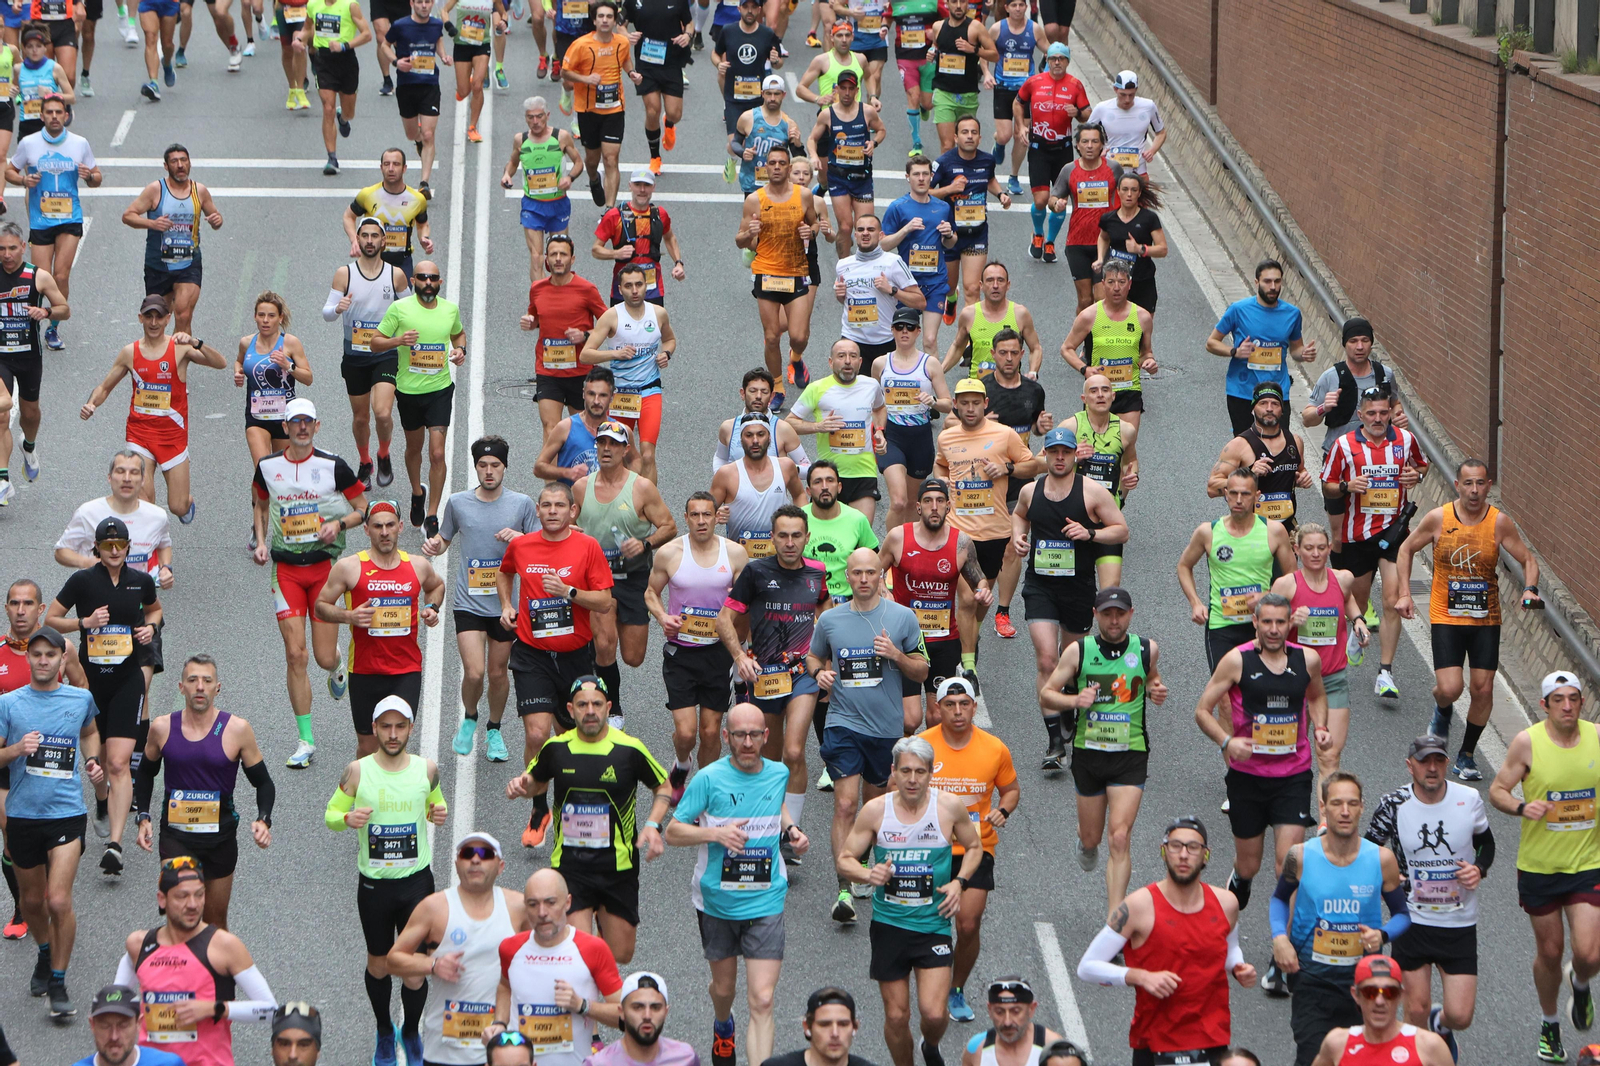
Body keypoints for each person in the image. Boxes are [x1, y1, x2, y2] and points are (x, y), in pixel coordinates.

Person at [667, 703, 806, 1066]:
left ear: (766, 736)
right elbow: (674, 831)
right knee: (724, 989)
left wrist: (791, 829)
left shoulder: (778, 773)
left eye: (754, 735)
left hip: (766, 899)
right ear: (727, 736)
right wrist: (716, 834)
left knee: (762, 999)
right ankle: (723, 1024)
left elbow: (775, 804)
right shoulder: (708, 779)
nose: (747, 742)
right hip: (717, 902)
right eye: (740, 735)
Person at [1190, 594, 1329, 951]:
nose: (1273, 629)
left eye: (1280, 622)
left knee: (1288, 865)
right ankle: (1240, 881)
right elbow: (1202, 710)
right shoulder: (1237, 661)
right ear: (1255, 622)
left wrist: (1321, 727)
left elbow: (1316, 696)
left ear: (1290, 623)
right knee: (1249, 864)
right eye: (1266, 622)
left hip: (1293, 775)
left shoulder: (1307, 659)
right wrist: (1226, 742)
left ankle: (1286, 950)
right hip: (1248, 778)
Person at [837, 735, 981, 1066]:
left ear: (931, 773)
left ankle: (930, 1045)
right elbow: (845, 859)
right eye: (905, 771)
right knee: (897, 1016)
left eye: (920, 772)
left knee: (934, 1013)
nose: (912, 779)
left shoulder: (948, 807)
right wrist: (868, 874)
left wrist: (959, 883)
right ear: (894, 771)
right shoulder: (876, 811)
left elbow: (974, 848)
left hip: (933, 924)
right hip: (889, 925)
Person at [506, 676, 670, 962]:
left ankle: (601, 942)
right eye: (582, 705)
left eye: (597, 704)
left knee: (622, 954)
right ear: (571, 710)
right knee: (578, 955)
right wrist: (522, 786)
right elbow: (535, 781)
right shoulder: (556, 748)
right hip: (570, 867)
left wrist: (653, 825)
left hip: (618, 867)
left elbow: (664, 788)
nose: (590, 711)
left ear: (608, 707)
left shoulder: (629, 749)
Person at [1396, 458, 1541, 780]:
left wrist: (1530, 589)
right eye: (1468, 483)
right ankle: (1442, 709)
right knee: (1450, 688)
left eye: (1480, 483)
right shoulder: (1439, 518)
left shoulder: (1499, 522)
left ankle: (1466, 755)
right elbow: (1405, 550)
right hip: (1446, 615)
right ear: (1457, 486)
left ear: (1488, 486)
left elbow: (1528, 559)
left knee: (1483, 689)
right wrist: (1405, 593)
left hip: (1485, 619)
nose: (1474, 490)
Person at [324, 694, 448, 1066]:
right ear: (374, 728)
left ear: (411, 728)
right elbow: (331, 814)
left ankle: (410, 1031)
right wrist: (346, 820)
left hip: (416, 884)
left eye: (400, 727)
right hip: (375, 886)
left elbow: (435, 803)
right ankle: (383, 1030)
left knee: (414, 969)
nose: (393, 735)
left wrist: (438, 812)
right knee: (378, 965)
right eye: (386, 727)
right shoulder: (357, 771)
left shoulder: (427, 769)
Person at [810, 549, 930, 925]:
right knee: (846, 804)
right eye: (857, 573)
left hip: (885, 729)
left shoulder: (903, 617)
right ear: (847, 576)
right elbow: (813, 657)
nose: (864, 579)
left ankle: (863, 859)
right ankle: (844, 887)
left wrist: (896, 654)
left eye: (871, 573)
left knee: (872, 806)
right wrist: (818, 674)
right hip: (843, 723)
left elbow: (922, 671)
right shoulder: (830, 620)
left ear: (882, 576)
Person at [1075, 816, 1255, 1066]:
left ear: (1206, 856)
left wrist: (1238, 967)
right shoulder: (1138, 906)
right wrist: (1141, 977)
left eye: (1193, 847)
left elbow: (1230, 948)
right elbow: (1087, 967)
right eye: (1175, 846)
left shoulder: (1227, 904)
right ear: (1163, 852)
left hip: (1211, 1039)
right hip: (1154, 1042)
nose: (1183, 855)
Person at [250, 397, 369, 769]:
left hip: (324, 569)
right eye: (295, 422)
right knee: (295, 655)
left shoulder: (334, 466)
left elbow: (363, 508)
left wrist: (339, 524)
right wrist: (260, 541)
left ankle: (336, 665)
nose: (302, 428)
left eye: (308, 422)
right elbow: (260, 504)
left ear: (317, 426)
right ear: (285, 428)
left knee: (321, 657)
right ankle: (305, 740)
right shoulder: (267, 467)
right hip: (285, 569)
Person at [1489, 671, 1600, 1066]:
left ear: (1582, 703)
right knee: (1551, 952)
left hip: (1589, 863)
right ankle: (1549, 1024)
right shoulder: (1527, 743)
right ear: (1545, 705)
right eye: (1559, 700)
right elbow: (1497, 791)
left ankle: (1581, 981)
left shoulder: (1597, 737)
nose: (1567, 706)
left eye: (1574, 699)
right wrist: (1522, 807)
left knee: (1590, 953)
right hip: (1540, 867)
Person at [44, 517, 164, 879]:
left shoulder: (140, 581)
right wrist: (84, 623)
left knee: (118, 763)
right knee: (95, 764)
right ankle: (101, 801)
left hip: (127, 680)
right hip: (91, 683)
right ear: (96, 548)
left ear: (128, 548)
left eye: (120, 545)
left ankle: (115, 844)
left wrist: (150, 627)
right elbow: (51, 619)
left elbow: (155, 609)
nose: (114, 551)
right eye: (107, 545)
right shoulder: (83, 581)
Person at [1365, 735, 1494, 1062]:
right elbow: (1369, 850)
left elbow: (1486, 843)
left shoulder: (1468, 798)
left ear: (1447, 764)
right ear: (1410, 766)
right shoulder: (1394, 803)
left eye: (1438, 760)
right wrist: (1390, 876)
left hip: (1459, 922)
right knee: (1415, 1009)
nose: (1432, 768)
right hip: (1413, 920)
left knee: (1461, 1015)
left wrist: (1479, 868)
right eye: (1424, 762)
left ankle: (1442, 1024)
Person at [1273, 773, 1411, 1066]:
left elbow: (1402, 915)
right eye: (1337, 803)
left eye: (1352, 803)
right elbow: (1279, 899)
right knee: (1312, 1057)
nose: (1345, 811)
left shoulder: (1381, 859)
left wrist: (1383, 935)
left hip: (1364, 984)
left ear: (1362, 807)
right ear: (1324, 807)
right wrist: (1279, 937)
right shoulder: (1300, 856)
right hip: (1311, 978)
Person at [0, 625, 102, 1018]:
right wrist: (15, 750)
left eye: (51, 655)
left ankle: (58, 980)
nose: (43, 661)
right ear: (28, 659)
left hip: (66, 813)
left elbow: (90, 734)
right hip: (23, 815)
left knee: (57, 899)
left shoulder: (80, 699)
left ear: (63, 660)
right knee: (31, 901)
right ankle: (44, 951)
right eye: (37, 654)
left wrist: (92, 761)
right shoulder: (9, 704)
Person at [1039, 586, 1163, 907]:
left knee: (1119, 837)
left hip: (1131, 754)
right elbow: (1047, 694)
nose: (1114, 620)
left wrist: (1155, 689)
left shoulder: (1146, 649)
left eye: (1120, 614)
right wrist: (1074, 700)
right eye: (1107, 614)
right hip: (1089, 756)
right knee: (1092, 837)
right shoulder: (1078, 651)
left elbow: (1151, 677)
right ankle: (1085, 840)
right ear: (1095, 615)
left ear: (1131, 614)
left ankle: (1115, 918)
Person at [132, 654, 275, 930]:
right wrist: (143, 816)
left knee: (214, 923)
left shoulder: (237, 729)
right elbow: (145, 772)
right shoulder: (162, 727)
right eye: (193, 680)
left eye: (207, 681)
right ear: (181, 687)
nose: (200, 687)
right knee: (181, 918)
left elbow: (264, 783)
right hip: (176, 836)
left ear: (217, 688)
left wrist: (263, 820)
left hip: (220, 839)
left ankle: (213, 961)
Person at [717, 505, 830, 842]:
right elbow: (723, 619)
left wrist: (824, 661)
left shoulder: (817, 572)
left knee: (794, 752)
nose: (790, 542)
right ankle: (770, 825)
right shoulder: (755, 572)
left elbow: (825, 610)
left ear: (807, 537)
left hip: (803, 673)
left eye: (796, 535)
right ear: (772, 538)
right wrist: (740, 657)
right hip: (765, 676)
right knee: (770, 758)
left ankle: (790, 834)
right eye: (783, 536)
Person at [1012, 426, 1127, 754]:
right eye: (1054, 452)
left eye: (1066, 452)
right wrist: (1018, 537)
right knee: (1047, 659)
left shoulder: (1092, 492)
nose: (1060, 458)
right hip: (1040, 586)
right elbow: (1019, 515)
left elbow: (1121, 531)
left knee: (1072, 662)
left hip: (1078, 587)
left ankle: (1069, 706)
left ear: (1075, 455)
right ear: (1045, 455)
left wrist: (1090, 534)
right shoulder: (1030, 491)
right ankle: (1054, 743)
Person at [425, 436, 538, 761]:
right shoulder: (458, 503)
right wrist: (435, 545)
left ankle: (494, 729)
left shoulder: (521, 504)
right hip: (469, 602)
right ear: (475, 467)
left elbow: (540, 545)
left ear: (505, 467)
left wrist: (520, 537)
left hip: (505, 605)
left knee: (498, 673)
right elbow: (445, 539)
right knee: (474, 672)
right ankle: (470, 717)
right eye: (483, 465)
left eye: (495, 465)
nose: (489, 471)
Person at [495, 482, 614, 778]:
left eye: (559, 505)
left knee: (571, 736)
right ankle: (537, 801)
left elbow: (604, 602)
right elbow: (504, 572)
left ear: (572, 511)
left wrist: (569, 592)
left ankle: (567, 793)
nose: (552, 511)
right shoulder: (521, 546)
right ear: (537, 510)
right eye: (546, 505)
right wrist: (506, 605)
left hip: (575, 656)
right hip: (532, 654)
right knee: (537, 734)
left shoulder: (588, 547)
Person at [1319, 387, 1428, 700]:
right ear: (1360, 415)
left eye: (1383, 413)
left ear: (1390, 413)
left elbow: (1422, 466)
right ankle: (1356, 631)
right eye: (1372, 413)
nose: (1378, 419)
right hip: (1358, 535)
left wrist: (1416, 477)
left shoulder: (1405, 440)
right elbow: (1327, 485)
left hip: (1394, 533)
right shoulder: (1344, 445)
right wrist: (1347, 485)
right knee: (1360, 603)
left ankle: (1385, 672)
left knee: (1392, 600)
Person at [113, 856, 277, 1061]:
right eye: (182, 896)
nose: (193, 904)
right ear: (162, 899)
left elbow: (271, 1010)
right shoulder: (139, 945)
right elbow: (115, 1003)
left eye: (199, 895)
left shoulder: (224, 946)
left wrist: (213, 1008)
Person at [315, 500, 446, 757]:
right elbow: (321, 606)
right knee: (368, 747)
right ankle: (365, 785)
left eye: (390, 525)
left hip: (406, 670)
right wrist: (349, 616)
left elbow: (436, 586)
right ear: (366, 530)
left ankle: (395, 785)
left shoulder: (417, 565)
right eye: (377, 526)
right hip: (365, 670)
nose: (384, 532)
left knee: (397, 742)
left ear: (400, 527)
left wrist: (432, 607)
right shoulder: (350, 567)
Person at [79, 294, 226, 522]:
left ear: (168, 319)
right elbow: (105, 387)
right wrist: (91, 404)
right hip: (140, 435)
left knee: (177, 506)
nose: (154, 323)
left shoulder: (180, 349)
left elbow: (220, 363)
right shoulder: (130, 352)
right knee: (144, 502)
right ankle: (151, 540)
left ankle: (186, 503)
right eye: (149, 317)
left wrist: (195, 342)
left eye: (159, 317)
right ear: (141, 318)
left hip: (172, 438)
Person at [387, 831, 526, 1066]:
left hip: (501, 1049)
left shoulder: (518, 907)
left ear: (500, 866)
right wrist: (433, 965)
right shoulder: (434, 907)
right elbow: (393, 960)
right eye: (467, 853)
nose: (475, 860)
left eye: (485, 854)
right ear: (456, 864)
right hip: (444, 1050)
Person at [925, 677, 1019, 1021]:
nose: (958, 711)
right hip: (929, 850)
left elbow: (1011, 789)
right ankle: (929, 980)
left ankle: (956, 988)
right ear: (938, 708)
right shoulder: (921, 746)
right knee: (930, 926)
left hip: (976, 848)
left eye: (964, 704)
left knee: (967, 925)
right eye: (950, 705)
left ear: (975, 708)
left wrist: (1003, 810)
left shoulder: (994, 748)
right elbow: (898, 788)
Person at [0, 579, 87, 942]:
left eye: (28, 604)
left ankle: (51, 892)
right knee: (10, 835)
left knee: (51, 851)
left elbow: (82, 688)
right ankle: (24, 904)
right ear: (7, 608)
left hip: (51, 763)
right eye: (14, 603)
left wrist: (68, 726)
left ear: (40, 609)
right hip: (9, 763)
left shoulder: (62, 649)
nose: (20, 611)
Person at [573, 417, 677, 718]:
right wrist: (570, 531)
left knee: (633, 656)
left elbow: (669, 526)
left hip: (633, 576)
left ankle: (594, 653)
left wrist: (644, 544)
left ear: (625, 450)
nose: (607, 449)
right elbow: (568, 525)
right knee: (606, 645)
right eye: (602, 443)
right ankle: (613, 708)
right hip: (596, 578)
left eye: (614, 444)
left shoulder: (641, 487)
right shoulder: (581, 487)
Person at [935, 378, 1037, 662]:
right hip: (958, 532)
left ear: (985, 404)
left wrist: (1006, 468)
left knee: (981, 600)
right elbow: (940, 464)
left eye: (976, 403)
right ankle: (968, 664)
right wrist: (942, 481)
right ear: (955, 405)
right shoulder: (947, 438)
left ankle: (971, 635)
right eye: (964, 403)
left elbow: (1031, 465)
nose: (970, 409)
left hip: (994, 532)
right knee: (968, 599)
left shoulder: (1004, 435)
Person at [647, 493, 749, 779]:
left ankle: (706, 786)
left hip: (718, 652)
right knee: (686, 733)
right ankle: (682, 762)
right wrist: (663, 617)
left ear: (717, 517)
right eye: (695, 515)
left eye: (707, 514)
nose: (701, 521)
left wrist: (737, 601)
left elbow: (745, 602)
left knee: (710, 731)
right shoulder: (670, 553)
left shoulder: (735, 553)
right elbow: (651, 592)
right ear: (686, 518)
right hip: (681, 653)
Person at [371, 256, 467, 535]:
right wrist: (398, 340)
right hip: (409, 391)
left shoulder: (449, 309)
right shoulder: (400, 309)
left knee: (437, 453)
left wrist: (460, 351)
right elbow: (375, 343)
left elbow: (459, 334)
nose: (427, 283)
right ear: (413, 281)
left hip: (439, 390)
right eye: (422, 278)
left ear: (440, 282)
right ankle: (417, 492)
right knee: (414, 449)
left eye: (432, 278)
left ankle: (433, 514)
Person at [487, 867, 624, 1061]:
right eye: (533, 904)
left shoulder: (592, 949)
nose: (542, 912)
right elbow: (504, 986)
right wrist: (500, 1023)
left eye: (550, 903)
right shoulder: (510, 948)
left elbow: (626, 1014)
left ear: (567, 902)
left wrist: (583, 1006)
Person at [880, 478, 987, 724]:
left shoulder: (962, 543)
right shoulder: (898, 537)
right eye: (928, 501)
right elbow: (874, 572)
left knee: (938, 715)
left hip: (944, 640)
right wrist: (885, 592)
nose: (934, 507)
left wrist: (983, 591)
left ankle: (933, 751)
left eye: (940, 501)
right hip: (906, 638)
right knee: (910, 720)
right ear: (918, 507)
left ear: (949, 506)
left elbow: (979, 579)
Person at [1176, 467, 1296, 675]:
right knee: (1225, 690)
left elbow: (1293, 579)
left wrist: (1267, 596)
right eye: (1233, 493)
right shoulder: (1208, 532)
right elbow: (1184, 566)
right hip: (1221, 626)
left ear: (1257, 496)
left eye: (1246, 494)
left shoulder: (1274, 531)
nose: (1239, 500)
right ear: (1226, 494)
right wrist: (1195, 603)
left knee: (1261, 687)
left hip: (1263, 625)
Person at [1302, 317, 1407, 551]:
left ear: (1371, 343)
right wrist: (1323, 408)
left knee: (1378, 523)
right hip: (1339, 460)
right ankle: (1341, 567)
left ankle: (1369, 563)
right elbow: (1307, 419)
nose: (1359, 346)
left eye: (1365, 340)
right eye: (1353, 341)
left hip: (1377, 459)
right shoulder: (1331, 376)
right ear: (1344, 344)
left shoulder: (1384, 374)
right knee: (1339, 532)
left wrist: (1398, 416)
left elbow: (1395, 403)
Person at [1270, 523, 1366, 778]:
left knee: (1330, 756)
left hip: (1333, 680)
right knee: (1288, 755)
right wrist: (1290, 622)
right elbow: (1264, 633)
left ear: (1329, 548)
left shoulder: (1342, 579)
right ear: (1296, 550)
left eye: (1321, 548)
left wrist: (1358, 620)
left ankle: (1326, 807)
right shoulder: (1285, 586)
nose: (1315, 554)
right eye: (1309, 548)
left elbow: (1347, 598)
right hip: (1294, 679)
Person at [324, 215, 411, 489]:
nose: (370, 241)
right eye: (365, 236)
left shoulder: (395, 275)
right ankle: (365, 462)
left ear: (384, 241)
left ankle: (384, 454)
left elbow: (410, 311)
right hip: (355, 355)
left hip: (385, 353)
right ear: (358, 239)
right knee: (361, 418)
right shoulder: (345, 274)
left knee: (382, 413)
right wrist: (337, 308)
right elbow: (327, 313)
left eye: (375, 236)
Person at [739, 143, 827, 409]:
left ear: (788, 168)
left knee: (799, 335)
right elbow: (740, 239)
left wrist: (811, 232)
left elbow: (814, 223)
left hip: (796, 272)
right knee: (772, 336)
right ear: (766, 167)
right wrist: (749, 233)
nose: (776, 167)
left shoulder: (803, 196)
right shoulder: (754, 200)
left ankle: (796, 358)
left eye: (781, 163)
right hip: (766, 272)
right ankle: (777, 386)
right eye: (772, 163)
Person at [7, 93, 92, 352]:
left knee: (61, 275)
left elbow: (96, 176)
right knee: (40, 278)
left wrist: (90, 176)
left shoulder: (80, 143)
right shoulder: (29, 143)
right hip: (41, 220)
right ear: (42, 116)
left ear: (66, 115)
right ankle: (33, 321)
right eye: (49, 112)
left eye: (58, 112)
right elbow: (10, 170)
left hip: (69, 218)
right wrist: (23, 180)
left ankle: (53, 327)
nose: (54, 116)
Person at [580, 263, 677, 483]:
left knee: (648, 454)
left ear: (646, 285)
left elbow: (670, 339)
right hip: (622, 394)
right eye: (628, 286)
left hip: (650, 390)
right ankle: (622, 496)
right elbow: (586, 354)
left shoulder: (658, 313)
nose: (634, 290)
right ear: (620, 289)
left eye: (639, 284)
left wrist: (666, 353)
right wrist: (615, 354)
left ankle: (647, 501)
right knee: (621, 454)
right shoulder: (611, 316)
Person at [981, 331, 1051, 635]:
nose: (1009, 358)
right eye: (1003, 352)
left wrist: (1040, 427)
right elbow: (954, 424)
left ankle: (1003, 612)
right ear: (993, 354)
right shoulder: (982, 389)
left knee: (1012, 547)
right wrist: (982, 424)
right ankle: (977, 603)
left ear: (1022, 354)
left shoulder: (1034, 390)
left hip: (1019, 479)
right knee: (985, 550)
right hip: (984, 483)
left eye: (1014, 353)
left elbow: (1035, 428)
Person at [120, 145, 223, 338]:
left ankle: (179, 357)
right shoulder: (155, 190)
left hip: (189, 262)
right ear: (166, 166)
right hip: (158, 264)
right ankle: (159, 355)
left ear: (190, 163)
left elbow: (216, 217)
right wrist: (153, 223)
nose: (180, 165)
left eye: (184, 160)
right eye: (174, 161)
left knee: (183, 314)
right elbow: (128, 216)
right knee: (156, 320)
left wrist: (217, 221)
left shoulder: (199, 191)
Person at [1205, 259, 1318, 434]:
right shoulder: (1238, 310)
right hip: (1243, 390)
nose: (1273, 286)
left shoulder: (1292, 314)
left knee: (1278, 444)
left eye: (1277, 281)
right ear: (1257, 282)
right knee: (1246, 446)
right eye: (1267, 281)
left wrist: (1303, 354)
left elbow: (1296, 349)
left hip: (1277, 392)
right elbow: (1211, 343)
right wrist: (1234, 351)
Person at [0, 223, 68, 497]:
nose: (7, 255)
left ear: (23, 247)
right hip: (1, 356)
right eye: (1, 249)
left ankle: (28, 446)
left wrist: (46, 312)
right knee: (2, 413)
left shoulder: (38, 276)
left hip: (29, 357)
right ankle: (3, 480)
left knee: (29, 414)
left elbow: (65, 309)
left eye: (12, 248)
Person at [788, 339, 889, 523]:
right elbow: (789, 423)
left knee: (861, 534)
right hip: (829, 475)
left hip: (863, 472)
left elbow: (880, 408)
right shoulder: (817, 389)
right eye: (841, 356)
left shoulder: (871, 385)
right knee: (827, 534)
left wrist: (880, 431)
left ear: (860, 362)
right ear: (831, 362)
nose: (847, 361)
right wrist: (817, 427)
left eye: (853, 356)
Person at [231, 294, 313, 520]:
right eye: (261, 315)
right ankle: (258, 527)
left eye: (271, 316)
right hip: (256, 418)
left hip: (285, 419)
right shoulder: (247, 342)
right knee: (263, 470)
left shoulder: (290, 343)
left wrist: (288, 365)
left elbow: (308, 378)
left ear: (280, 318)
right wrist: (238, 372)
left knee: (281, 475)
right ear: (255, 317)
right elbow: (239, 360)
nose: (265, 320)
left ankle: (281, 522)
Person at [872, 306, 948, 531]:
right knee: (898, 501)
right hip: (892, 436)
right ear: (892, 330)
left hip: (920, 438)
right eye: (899, 327)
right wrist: (878, 431)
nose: (904, 331)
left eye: (910, 327)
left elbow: (948, 403)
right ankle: (890, 549)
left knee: (912, 503)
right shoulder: (880, 364)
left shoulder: (930, 364)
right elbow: (874, 405)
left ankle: (909, 548)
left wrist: (933, 402)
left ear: (918, 331)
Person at [524, 235, 608, 438]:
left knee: (583, 431)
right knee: (550, 428)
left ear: (573, 259)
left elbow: (609, 325)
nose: (558, 259)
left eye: (563, 254)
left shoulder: (586, 289)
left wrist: (585, 334)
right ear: (547, 258)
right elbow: (535, 317)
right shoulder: (537, 288)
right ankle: (552, 461)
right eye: (553, 254)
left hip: (579, 371)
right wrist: (530, 322)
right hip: (548, 371)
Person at [1307, 955, 1454, 1066]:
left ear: (1400, 996)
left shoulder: (1429, 1046)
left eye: (1390, 993)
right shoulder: (1337, 1044)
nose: (1379, 1001)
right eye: (1370, 992)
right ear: (1356, 995)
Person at [930, 116, 1010, 322]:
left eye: (974, 132)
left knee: (973, 289)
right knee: (948, 286)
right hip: (950, 233)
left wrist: (1000, 194)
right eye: (964, 132)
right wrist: (949, 189)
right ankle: (951, 298)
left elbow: (989, 179)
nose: (969, 136)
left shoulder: (987, 160)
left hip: (977, 233)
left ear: (980, 138)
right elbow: (925, 192)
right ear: (956, 137)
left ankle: (969, 337)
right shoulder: (943, 163)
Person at [1058, 259, 1155, 428]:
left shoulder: (1142, 317)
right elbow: (1066, 348)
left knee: (1125, 441)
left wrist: (1150, 361)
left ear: (1129, 284)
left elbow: (1146, 352)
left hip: (1129, 391)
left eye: (1121, 282)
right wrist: (1085, 369)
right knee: (1097, 443)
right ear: (1103, 284)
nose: (1116, 288)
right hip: (1098, 392)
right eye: (1111, 282)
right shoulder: (1089, 316)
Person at [563, 0, 640, 209]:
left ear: (615, 21)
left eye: (609, 17)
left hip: (615, 109)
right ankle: (594, 179)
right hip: (588, 110)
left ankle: (609, 210)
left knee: (611, 158)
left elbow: (625, 59)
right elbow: (565, 72)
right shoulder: (581, 45)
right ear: (594, 20)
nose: (605, 20)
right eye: (601, 16)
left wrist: (632, 73)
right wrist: (586, 79)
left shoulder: (622, 42)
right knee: (592, 160)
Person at [503, 96, 585, 286]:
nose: (535, 121)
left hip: (558, 204)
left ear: (547, 115)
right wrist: (507, 174)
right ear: (525, 118)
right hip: (532, 206)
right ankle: (540, 298)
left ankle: (560, 293)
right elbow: (513, 163)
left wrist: (570, 178)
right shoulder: (521, 140)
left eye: (539, 116)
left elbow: (578, 162)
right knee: (536, 256)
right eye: (530, 117)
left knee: (560, 255)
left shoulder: (561, 137)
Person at [1014, 42, 1085, 262]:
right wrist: (1021, 126)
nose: (1057, 62)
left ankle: (1051, 242)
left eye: (1061, 59)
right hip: (1039, 148)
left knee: (1060, 202)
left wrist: (1077, 113)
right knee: (1041, 200)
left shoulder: (1075, 85)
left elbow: (1087, 113)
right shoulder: (1034, 82)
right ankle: (1038, 234)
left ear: (1067, 61)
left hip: (1063, 150)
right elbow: (1018, 103)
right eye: (1053, 58)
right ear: (1047, 59)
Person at [1208, 381, 1310, 531]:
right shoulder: (1239, 445)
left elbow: (1300, 471)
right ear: (1253, 409)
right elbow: (1212, 487)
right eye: (1263, 403)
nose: (1269, 408)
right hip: (1249, 531)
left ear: (1282, 409)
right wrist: (1249, 475)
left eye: (1275, 404)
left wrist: (1302, 478)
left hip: (1285, 530)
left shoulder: (1295, 442)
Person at [881, 155, 957, 355]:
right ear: (908, 177)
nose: (921, 178)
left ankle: (932, 377)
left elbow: (951, 243)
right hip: (907, 283)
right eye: (916, 174)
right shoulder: (897, 207)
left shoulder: (943, 207)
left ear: (932, 176)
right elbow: (883, 245)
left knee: (930, 340)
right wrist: (905, 230)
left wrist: (949, 234)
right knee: (903, 340)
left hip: (935, 282)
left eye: (925, 174)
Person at [807, 69, 885, 261]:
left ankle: (865, 267)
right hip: (838, 178)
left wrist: (874, 143)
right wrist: (814, 155)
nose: (847, 93)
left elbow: (881, 130)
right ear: (837, 90)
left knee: (865, 226)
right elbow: (812, 138)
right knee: (845, 226)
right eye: (843, 88)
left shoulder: (867, 111)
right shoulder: (827, 114)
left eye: (851, 89)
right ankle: (844, 267)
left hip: (862, 178)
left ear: (857, 90)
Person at [294, 0, 373, 176]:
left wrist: (344, 45)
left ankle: (343, 118)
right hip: (324, 61)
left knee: (349, 112)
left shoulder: (350, 5)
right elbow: (307, 28)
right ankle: (332, 158)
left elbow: (367, 35)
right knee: (327, 107)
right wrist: (299, 39)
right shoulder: (313, 4)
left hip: (346, 59)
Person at [835, 214, 923, 364]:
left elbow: (920, 302)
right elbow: (843, 299)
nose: (865, 233)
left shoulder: (893, 262)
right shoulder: (843, 264)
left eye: (871, 229)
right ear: (855, 235)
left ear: (881, 235)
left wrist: (892, 290)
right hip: (852, 339)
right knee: (851, 380)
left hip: (884, 340)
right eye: (861, 230)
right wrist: (840, 295)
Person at [593, 169, 687, 305]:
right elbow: (596, 250)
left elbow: (669, 237)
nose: (642, 190)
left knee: (656, 319)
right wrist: (616, 253)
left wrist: (678, 263)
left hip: (652, 288)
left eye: (647, 185)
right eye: (637, 185)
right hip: (624, 288)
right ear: (630, 186)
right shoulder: (614, 216)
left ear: (653, 187)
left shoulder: (660, 214)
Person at [384, 0, 450, 191]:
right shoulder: (400, 25)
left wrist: (443, 56)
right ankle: (418, 141)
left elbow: (438, 40)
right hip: (407, 85)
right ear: (412, 3)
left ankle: (424, 183)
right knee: (412, 134)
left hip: (430, 85)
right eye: (420, 2)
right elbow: (384, 45)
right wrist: (396, 62)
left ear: (432, 3)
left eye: (427, 2)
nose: (424, 6)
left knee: (428, 134)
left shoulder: (436, 24)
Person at [1048, 122, 1113, 318]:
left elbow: (1129, 192)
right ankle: (1082, 336)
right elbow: (1052, 198)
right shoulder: (1069, 170)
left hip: (1106, 242)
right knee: (1085, 301)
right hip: (1077, 243)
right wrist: (1056, 204)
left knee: (1102, 299)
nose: (1090, 146)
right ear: (1077, 145)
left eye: (1094, 141)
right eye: (1085, 141)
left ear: (1102, 145)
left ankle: (1098, 338)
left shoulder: (1113, 168)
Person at [713, 0, 782, 182]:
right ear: (739, 8)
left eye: (753, 7)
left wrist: (775, 60)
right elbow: (715, 53)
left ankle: (757, 177)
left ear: (759, 10)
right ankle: (732, 160)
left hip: (758, 99)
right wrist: (719, 64)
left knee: (759, 141)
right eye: (746, 7)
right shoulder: (728, 31)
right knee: (734, 144)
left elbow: (779, 62)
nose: (749, 11)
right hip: (734, 98)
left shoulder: (767, 34)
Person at [622, 0, 692, 174]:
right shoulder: (633, 1)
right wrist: (627, 36)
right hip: (646, 62)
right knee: (652, 110)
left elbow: (689, 23)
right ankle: (655, 157)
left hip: (671, 62)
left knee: (675, 114)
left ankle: (669, 123)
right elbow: (620, 24)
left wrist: (687, 35)